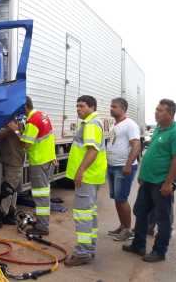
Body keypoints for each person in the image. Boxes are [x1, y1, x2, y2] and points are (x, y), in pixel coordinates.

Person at [123, 99, 176, 262]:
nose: (156, 112)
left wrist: (168, 183)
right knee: (141, 212)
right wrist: (142, 176)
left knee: (163, 218)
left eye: (160, 110)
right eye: (156, 109)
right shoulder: (159, 128)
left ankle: (159, 251)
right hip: (148, 181)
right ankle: (139, 245)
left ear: (170, 113)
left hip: (161, 183)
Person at [64, 95, 107, 267]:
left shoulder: (91, 124)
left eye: (81, 106)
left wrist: (80, 171)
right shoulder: (93, 123)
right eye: (77, 106)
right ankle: (89, 248)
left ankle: (83, 252)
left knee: (82, 214)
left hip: (87, 177)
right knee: (89, 213)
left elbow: (92, 151)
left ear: (92, 107)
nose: (78, 109)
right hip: (92, 176)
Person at [16, 96, 57, 236]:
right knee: (44, 194)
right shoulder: (42, 115)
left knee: (40, 196)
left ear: (25, 107)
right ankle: (41, 222)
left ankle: (42, 227)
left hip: (39, 161)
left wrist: (16, 131)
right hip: (48, 159)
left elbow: (26, 144)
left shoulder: (32, 121)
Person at [106, 98, 141, 241]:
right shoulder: (115, 124)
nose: (111, 109)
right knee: (117, 198)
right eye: (111, 106)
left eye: (114, 107)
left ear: (123, 109)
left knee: (122, 198)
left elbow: (136, 145)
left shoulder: (130, 125)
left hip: (123, 167)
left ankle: (127, 230)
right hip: (112, 166)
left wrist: (128, 165)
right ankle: (122, 226)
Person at [0, 117, 25, 228]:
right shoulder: (8, 123)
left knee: (8, 188)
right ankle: (10, 215)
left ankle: (0, 215)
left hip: (14, 160)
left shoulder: (18, 123)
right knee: (14, 188)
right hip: (9, 159)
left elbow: (23, 139)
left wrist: (12, 129)